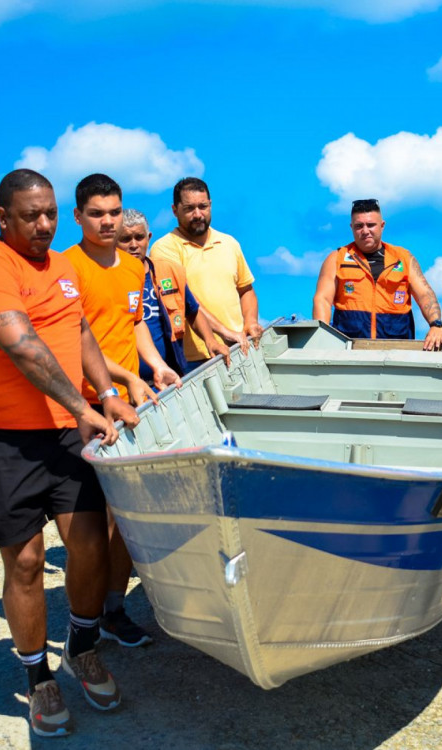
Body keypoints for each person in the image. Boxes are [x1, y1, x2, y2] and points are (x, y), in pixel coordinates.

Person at [0, 168, 139, 737]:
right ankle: (38, 679)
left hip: (62, 429)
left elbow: (79, 331)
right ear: (4, 217)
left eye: (51, 214)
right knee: (28, 561)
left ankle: (81, 648)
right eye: (31, 215)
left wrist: (107, 393)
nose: (43, 225)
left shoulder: (60, 267)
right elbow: (24, 347)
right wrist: (86, 411)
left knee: (87, 544)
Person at [61, 174, 182, 650]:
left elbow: (134, 328)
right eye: (97, 214)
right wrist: (123, 381)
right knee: (91, 521)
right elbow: (75, 340)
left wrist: (154, 369)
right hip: (85, 406)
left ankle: (114, 609)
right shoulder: (65, 268)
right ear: (79, 217)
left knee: (128, 516)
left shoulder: (134, 269)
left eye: (115, 212)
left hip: (128, 402)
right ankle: (84, 621)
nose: (108, 222)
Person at [149, 178, 262, 367]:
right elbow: (184, 299)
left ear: (210, 205)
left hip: (237, 349)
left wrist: (250, 322)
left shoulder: (229, 243)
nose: (197, 214)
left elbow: (246, 290)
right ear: (175, 210)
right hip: (191, 358)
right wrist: (224, 332)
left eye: (203, 206)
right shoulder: (164, 249)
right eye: (189, 208)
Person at [312, 198, 442, 351]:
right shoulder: (336, 258)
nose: (365, 231)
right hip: (349, 351)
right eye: (359, 226)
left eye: (371, 225)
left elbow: (424, 294)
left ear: (382, 226)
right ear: (351, 228)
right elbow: (322, 299)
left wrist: (436, 325)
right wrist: (321, 336)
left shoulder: (403, 258)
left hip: (397, 351)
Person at [116, 208, 229, 380]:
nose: (133, 245)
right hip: (127, 379)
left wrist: (210, 341)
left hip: (170, 376)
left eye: (139, 237)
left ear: (149, 238)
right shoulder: (109, 279)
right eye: (125, 239)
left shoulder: (168, 270)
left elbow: (192, 310)